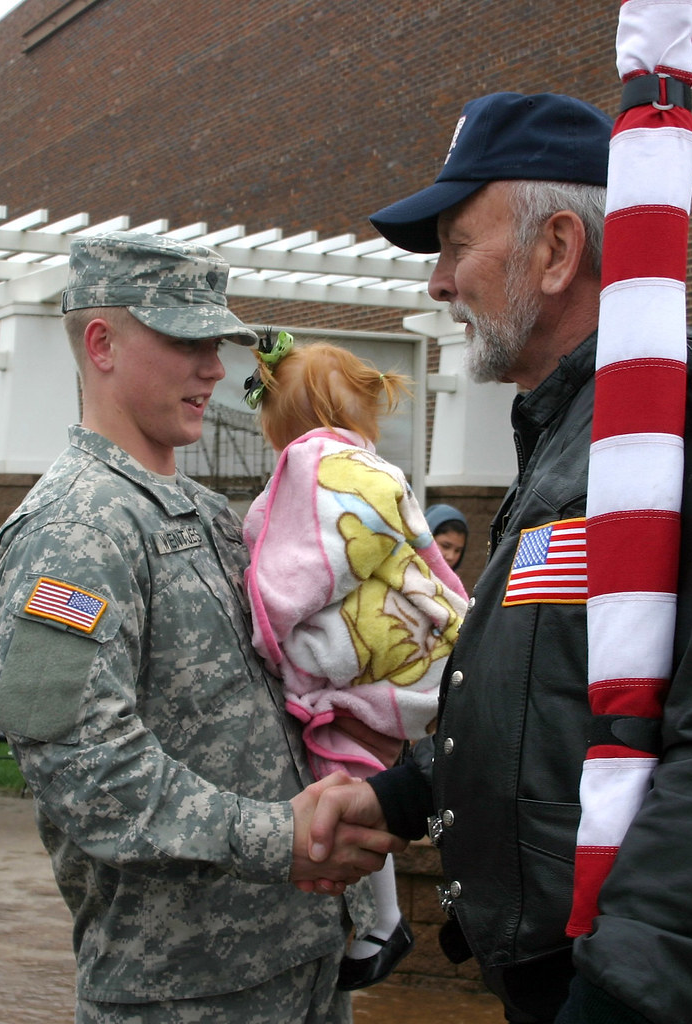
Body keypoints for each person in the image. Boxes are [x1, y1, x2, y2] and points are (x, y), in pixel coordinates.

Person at [304, 92, 692, 1023]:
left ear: (557, 250)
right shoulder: (571, 438)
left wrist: (626, 996)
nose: (436, 285)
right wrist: (403, 796)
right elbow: (561, 698)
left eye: (458, 244)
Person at [0, 231, 405, 1024]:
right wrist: (276, 837)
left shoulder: (209, 517)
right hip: (182, 990)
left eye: (216, 342)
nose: (214, 367)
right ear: (100, 344)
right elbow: (83, 770)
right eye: (184, 340)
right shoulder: (72, 533)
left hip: (298, 959)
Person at [241, 337, 468, 990]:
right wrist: (458, 614)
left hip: (369, 663)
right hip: (421, 645)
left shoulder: (307, 471)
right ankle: (387, 918)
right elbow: (426, 555)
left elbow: (300, 568)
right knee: (404, 779)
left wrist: (272, 630)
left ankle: (382, 919)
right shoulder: (378, 469)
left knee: (344, 779)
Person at [425, 503, 468, 570]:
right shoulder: (405, 575)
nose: (450, 557)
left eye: (457, 550)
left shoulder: (452, 580)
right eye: (445, 546)